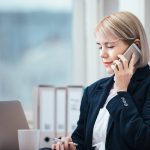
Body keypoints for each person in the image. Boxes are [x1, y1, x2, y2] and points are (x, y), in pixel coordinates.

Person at [52, 11, 150, 150]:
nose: (102, 54)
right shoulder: (92, 91)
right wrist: (71, 145)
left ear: (136, 47)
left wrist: (122, 92)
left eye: (110, 46)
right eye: (100, 46)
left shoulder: (147, 86)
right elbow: (81, 139)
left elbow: (144, 141)